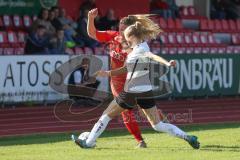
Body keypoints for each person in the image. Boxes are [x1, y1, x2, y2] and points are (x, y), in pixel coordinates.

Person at [72, 16, 200, 149]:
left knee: (106, 116)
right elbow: (128, 67)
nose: (124, 38)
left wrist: (167, 63)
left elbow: (152, 56)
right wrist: (108, 73)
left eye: (126, 35)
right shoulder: (138, 48)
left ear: (132, 35)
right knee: (157, 125)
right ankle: (188, 137)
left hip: (131, 91)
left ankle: (88, 143)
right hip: (146, 91)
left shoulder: (141, 49)